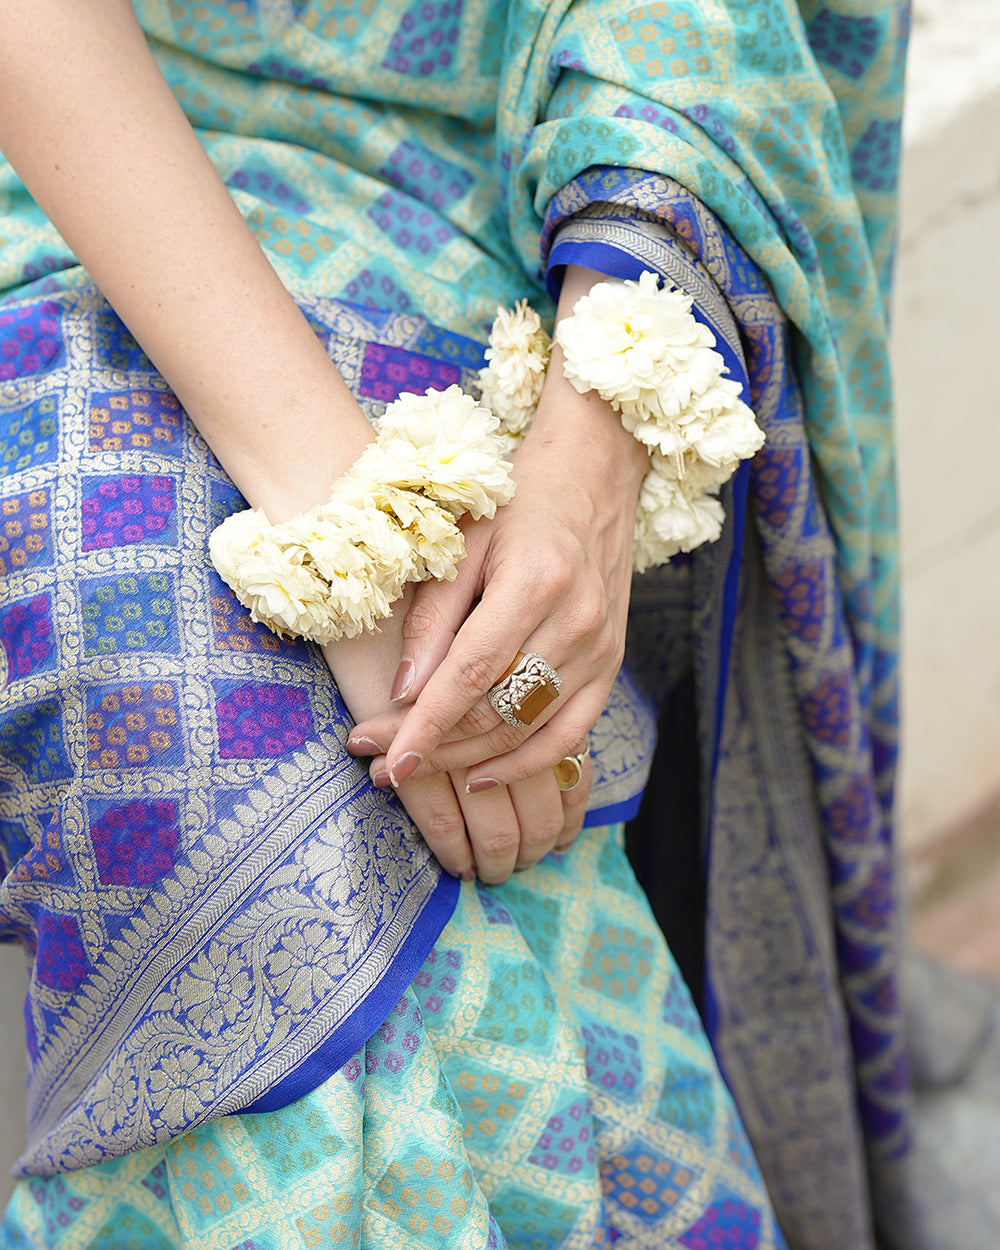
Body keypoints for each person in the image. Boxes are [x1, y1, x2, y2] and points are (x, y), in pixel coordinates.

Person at [0, 1, 914, 1247]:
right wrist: (360, 529)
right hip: (85, 143)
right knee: (221, 748)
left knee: (451, 742)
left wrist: (599, 435)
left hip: (512, 163)